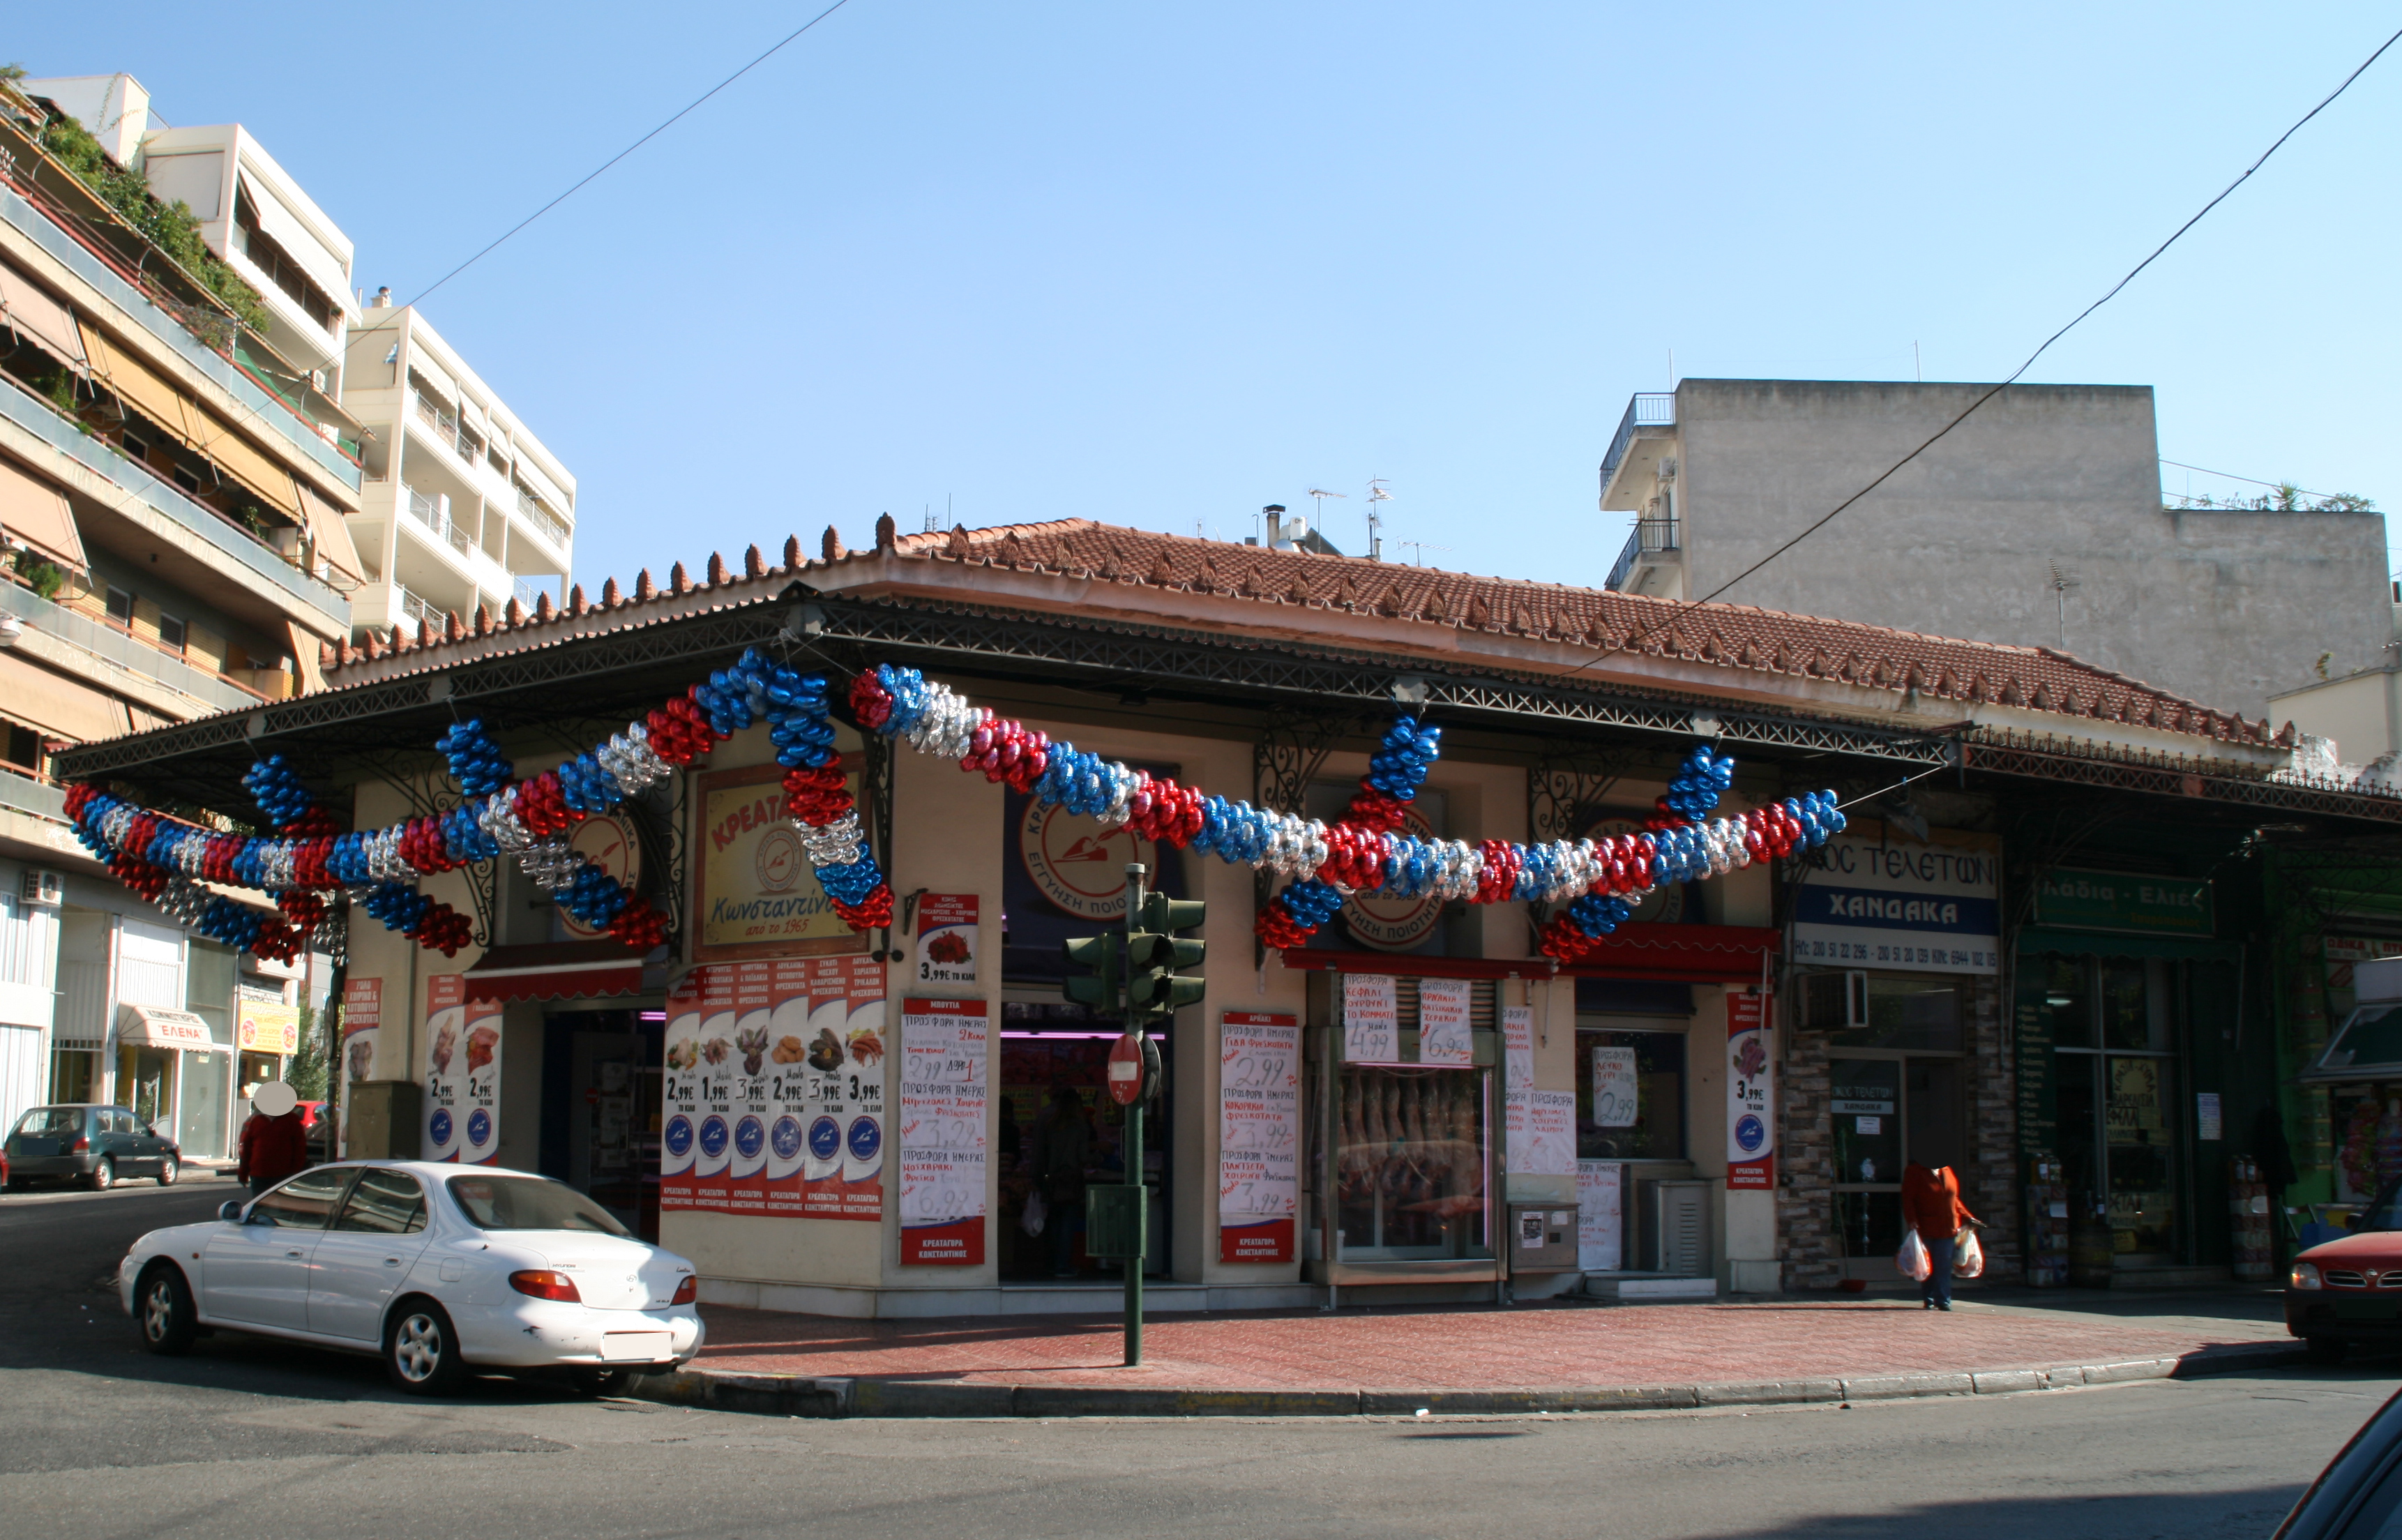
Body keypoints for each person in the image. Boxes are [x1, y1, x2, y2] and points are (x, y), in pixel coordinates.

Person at [1032, 1084, 1091, 1278]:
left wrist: (1038, 1178)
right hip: (1071, 1179)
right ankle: (1062, 1265)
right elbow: (1083, 1157)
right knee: (1067, 1223)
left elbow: (1040, 1153)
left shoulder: (1050, 1124)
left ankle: (1052, 1263)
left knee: (1055, 1222)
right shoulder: (1079, 1126)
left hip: (1052, 1179)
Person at [1902, 1160, 1979, 1311]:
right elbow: (1908, 1199)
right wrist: (1912, 1220)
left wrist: (1967, 1216)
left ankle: (1943, 1300)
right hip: (1926, 1226)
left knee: (1944, 1265)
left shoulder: (1947, 1171)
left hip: (1948, 1227)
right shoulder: (1915, 1172)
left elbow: (1954, 1199)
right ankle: (1929, 1298)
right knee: (1928, 1265)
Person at [239, 1080, 310, 1197]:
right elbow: (247, 1149)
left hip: (283, 1175)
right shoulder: (257, 1121)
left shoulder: (292, 1121)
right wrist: (243, 1173)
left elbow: (300, 1149)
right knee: (259, 1207)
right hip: (259, 1174)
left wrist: (295, 1173)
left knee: (281, 1207)